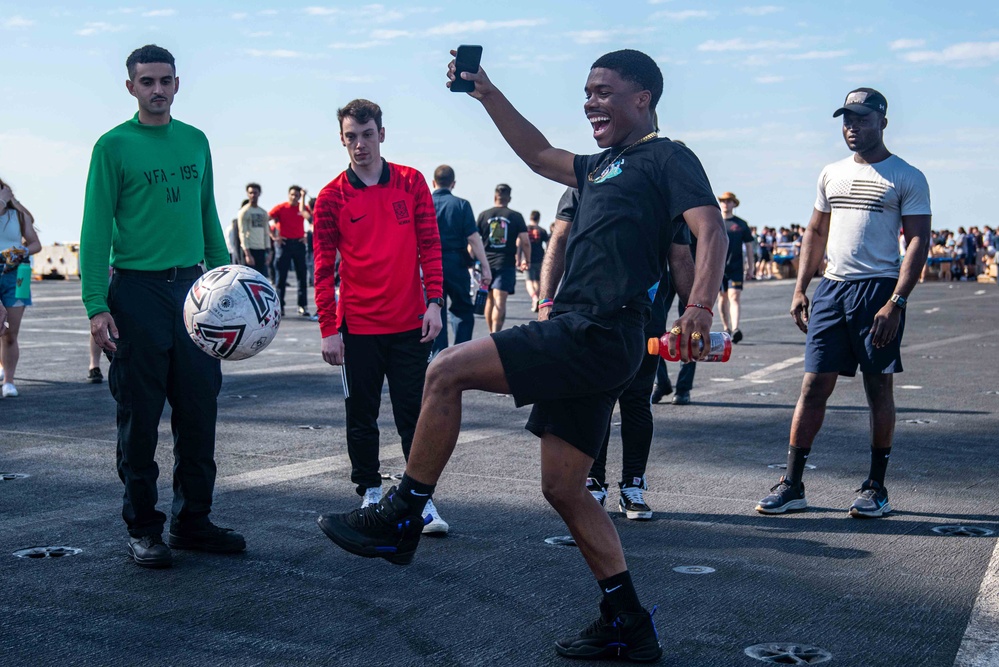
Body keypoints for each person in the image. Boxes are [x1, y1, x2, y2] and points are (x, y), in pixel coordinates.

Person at [317, 49, 727, 662]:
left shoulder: (667, 156)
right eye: (587, 91)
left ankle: (403, 514)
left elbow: (709, 228)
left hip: (597, 329)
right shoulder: (601, 165)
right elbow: (537, 153)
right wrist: (484, 91)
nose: (591, 101)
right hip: (587, 332)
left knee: (444, 369)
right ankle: (628, 622)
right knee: (565, 487)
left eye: (605, 91)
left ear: (642, 98)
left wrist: (698, 307)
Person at [80, 44, 246, 569]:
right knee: (140, 418)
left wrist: (227, 282)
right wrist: (95, 303)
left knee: (200, 412)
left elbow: (208, 219)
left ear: (178, 84)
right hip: (136, 294)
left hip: (194, 294)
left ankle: (193, 522)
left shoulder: (196, 142)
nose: (157, 89)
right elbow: (95, 229)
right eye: (146, 81)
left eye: (165, 80)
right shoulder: (113, 146)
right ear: (130, 87)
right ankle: (144, 529)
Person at [756, 87, 931, 519]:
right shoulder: (831, 173)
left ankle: (876, 487)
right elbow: (815, 232)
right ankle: (792, 484)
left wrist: (897, 301)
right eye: (847, 119)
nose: (852, 127)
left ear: (882, 122)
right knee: (813, 386)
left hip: (878, 291)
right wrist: (800, 288)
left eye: (862, 119)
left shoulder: (907, 176)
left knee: (878, 387)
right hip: (832, 289)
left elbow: (918, 243)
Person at [312, 98, 449, 534]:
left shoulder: (411, 182)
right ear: (342, 140)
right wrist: (329, 329)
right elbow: (321, 266)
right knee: (362, 416)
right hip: (359, 330)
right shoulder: (331, 196)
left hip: (411, 324)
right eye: (351, 137)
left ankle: (420, 501)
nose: (360, 145)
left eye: (367, 134)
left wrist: (435, 302)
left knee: (416, 416)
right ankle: (370, 492)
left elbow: (430, 245)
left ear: (381, 134)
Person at [430, 165, 491, 357]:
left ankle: (438, 355)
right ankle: (460, 355)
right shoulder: (462, 205)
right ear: (453, 183)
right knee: (462, 309)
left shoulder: (424, 203)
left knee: (434, 308)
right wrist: (485, 267)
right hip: (456, 262)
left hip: (430, 263)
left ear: (433, 182)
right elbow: (473, 238)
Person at [0, 178, 41, 398]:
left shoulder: (16, 212)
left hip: (17, 273)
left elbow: (35, 243)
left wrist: (19, 253)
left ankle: (9, 380)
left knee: (10, 332)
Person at [477, 184, 529, 333]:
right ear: (509, 198)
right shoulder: (516, 216)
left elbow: (474, 240)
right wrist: (528, 259)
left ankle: (490, 333)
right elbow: (525, 241)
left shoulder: (483, 215)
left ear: (495, 197)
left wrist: (473, 261)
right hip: (505, 263)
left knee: (489, 300)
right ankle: (495, 335)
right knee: (500, 300)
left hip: (486, 264)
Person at [715, 192, 753, 343]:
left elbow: (749, 246)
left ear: (734, 204)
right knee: (722, 298)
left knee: (734, 296)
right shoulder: (715, 222)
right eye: (723, 201)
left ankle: (736, 328)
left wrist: (750, 267)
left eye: (729, 201)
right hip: (718, 268)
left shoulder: (741, 224)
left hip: (736, 267)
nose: (726, 203)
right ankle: (726, 327)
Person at [269, 185, 313, 317]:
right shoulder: (281, 208)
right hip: (284, 244)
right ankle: (279, 306)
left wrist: (306, 237)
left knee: (302, 276)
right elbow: (266, 220)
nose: (294, 197)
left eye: (297, 195)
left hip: (299, 244)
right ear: (289, 195)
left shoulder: (303, 208)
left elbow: (311, 221)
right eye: (292, 195)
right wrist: (274, 237)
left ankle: (302, 306)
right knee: (281, 277)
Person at [238, 183, 271, 272]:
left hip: (261, 249)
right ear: (247, 194)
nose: (253, 195)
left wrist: (268, 251)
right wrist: (247, 254)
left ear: (259, 193)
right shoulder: (244, 212)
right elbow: (242, 233)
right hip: (250, 249)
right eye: (250, 193)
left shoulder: (263, 212)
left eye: (255, 193)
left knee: (261, 277)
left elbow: (266, 232)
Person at [524, 210, 549, 312]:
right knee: (538, 281)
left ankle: (534, 297)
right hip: (540, 258)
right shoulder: (542, 230)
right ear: (539, 218)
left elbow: (520, 243)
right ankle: (537, 299)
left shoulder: (524, 229)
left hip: (527, 258)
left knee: (529, 281)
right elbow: (548, 245)